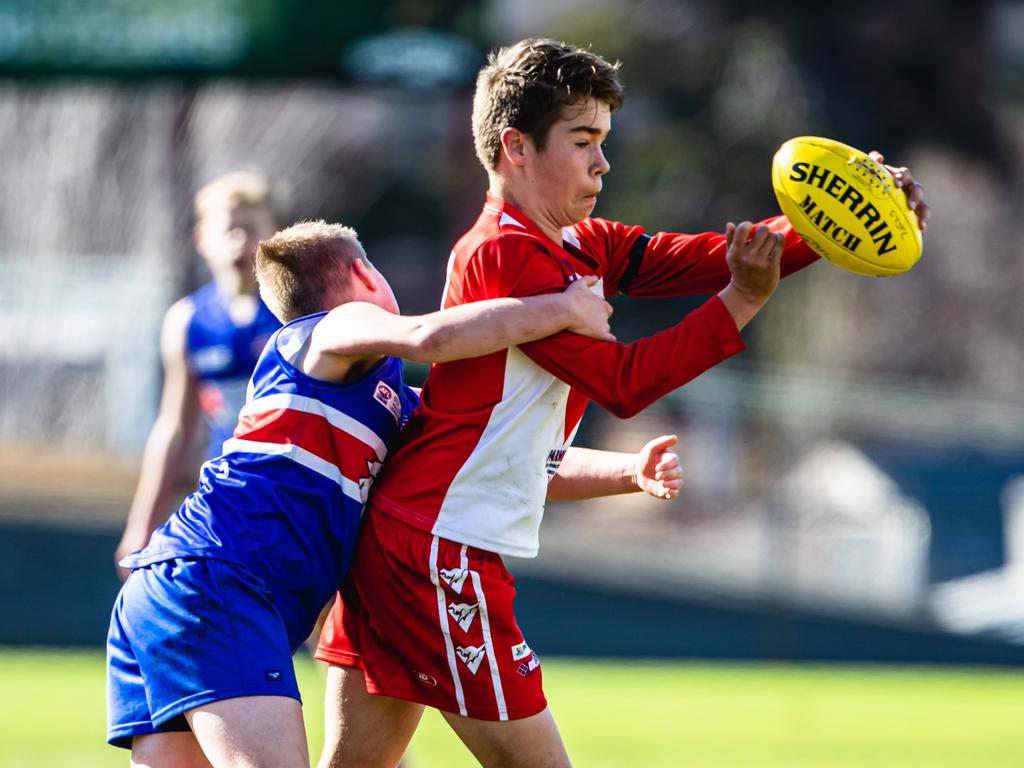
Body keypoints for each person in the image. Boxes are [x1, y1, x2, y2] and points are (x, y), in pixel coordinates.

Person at [314, 38, 930, 768]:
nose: (603, 162)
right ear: (516, 146)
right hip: (436, 550)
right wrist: (740, 302)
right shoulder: (505, 254)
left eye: (602, 141)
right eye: (583, 142)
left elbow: (709, 257)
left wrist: (841, 219)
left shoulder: (578, 242)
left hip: (416, 540)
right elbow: (625, 382)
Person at [105, 219, 622, 767]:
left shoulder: (385, 400)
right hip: (220, 580)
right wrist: (563, 309)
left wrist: (631, 471)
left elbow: (505, 466)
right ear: (362, 273)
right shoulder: (327, 328)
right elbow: (432, 337)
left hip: (171, 586)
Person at [115, 170, 282, 577]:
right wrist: (142, 524)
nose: (240, 242)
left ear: (273, 236)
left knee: (318, 620)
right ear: (202, 238)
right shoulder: (187, 321)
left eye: (251, 229)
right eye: (229, 229)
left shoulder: (294, 312)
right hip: (227, 493)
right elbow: (174, 426)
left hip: (293, 487)